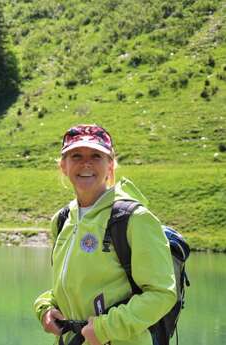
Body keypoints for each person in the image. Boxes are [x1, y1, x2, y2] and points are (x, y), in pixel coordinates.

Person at [34, 124, 176, 345]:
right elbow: (71, 287)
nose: (86, 163)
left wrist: (105, 328)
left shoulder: (133, 218)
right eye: (76, 155)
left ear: (110, 165)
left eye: (96, 156)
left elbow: (162, 294)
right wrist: (45, 308)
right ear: (63, 165)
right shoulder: (62, 220)